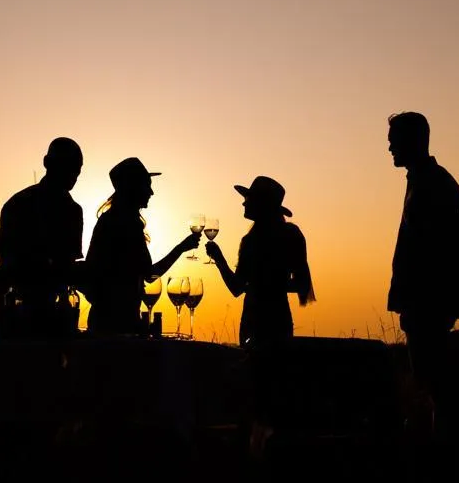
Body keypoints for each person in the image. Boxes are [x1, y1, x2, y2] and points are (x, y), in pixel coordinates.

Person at [206, 175, 314, 456]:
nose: (243, 202)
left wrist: (218, 260)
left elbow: (235, 288)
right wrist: (275, 284)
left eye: (248, 199)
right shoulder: (291, 235)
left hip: (254, 320)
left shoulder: (251, 241)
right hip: (280, 318)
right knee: (276, 391)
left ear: (260, 206)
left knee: (254, 392)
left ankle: (253, 455)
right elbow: (302, 287)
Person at [386, 111, 459, 434]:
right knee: (430, 383)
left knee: (434, 385)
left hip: (428, 304)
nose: (390, 148)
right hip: (423, 303)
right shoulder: (425, 181)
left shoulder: (434, 184)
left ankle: (441, 451)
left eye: (394, 141)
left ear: (413, 141)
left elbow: (434, 252)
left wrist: (417, 302)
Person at [79, 157, 199, 335]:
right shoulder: (126, 223)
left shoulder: (110, 220)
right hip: (117, 323)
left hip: (107, 319)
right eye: (147, 185)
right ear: (133, 189)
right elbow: (149, 273)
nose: (151, 192)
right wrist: (180, 248)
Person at [0, 138, 85, 341]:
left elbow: (67, 267)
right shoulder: (18, 205)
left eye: (77, 168)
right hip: (19, 311)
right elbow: (10, 267)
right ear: (47, 163)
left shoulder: (73, 210)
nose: (74, 175)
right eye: (68, 167)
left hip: (55, 312)